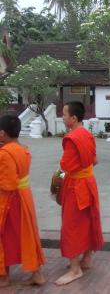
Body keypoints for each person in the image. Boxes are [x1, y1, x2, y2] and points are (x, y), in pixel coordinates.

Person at [55, 101, 104, 286]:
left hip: (76, 185)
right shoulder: (87, 134)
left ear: (73, 118)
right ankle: (87, 259)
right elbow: (95, 160)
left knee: (72, 225)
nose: (63, 117)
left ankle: (75, 269)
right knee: (88, 220)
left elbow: (65, 165)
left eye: (64, 114)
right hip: (89, 182)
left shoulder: (72, 138)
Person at [0, 115, 46, 287]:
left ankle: (3, 277)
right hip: (24, 197)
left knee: (4, 237)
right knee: (27, 235)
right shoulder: (23, 149)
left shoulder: (4, 154)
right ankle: (37, 274)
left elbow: (8, 184)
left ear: (3, 134)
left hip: (9, 201)